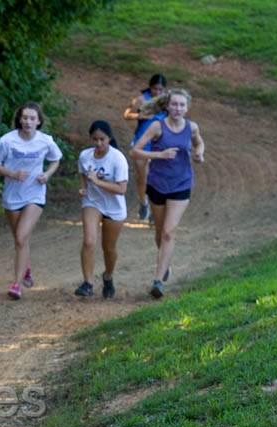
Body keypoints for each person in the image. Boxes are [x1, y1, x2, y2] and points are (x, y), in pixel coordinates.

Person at [132, 88, 205, 298]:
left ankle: (157, 281)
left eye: (182, 105)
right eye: (174, 104)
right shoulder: (157, 126)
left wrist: (199, 152)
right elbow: (135, 151)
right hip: (157, 184)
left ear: (187, 107)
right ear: (167, 106)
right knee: (160, 232)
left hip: (181, 184)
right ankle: (166, 263)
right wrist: (159, 154)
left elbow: (199, 142)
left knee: (168, 232)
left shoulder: (191, 127)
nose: (178, 108)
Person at [0, 102, 61, 300]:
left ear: (38, 121)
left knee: (21, 237)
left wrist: (47, 174)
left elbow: (56, 159)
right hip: (12, 196)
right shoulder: (7, 141)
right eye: (25, 118)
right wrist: (11, 173)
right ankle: (26, 268)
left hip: (35, 194)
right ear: (20, 119)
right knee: (20, 240)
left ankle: (16, 284)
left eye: (32, 118)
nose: (28, 122)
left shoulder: (45, 141)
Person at [75, 120, 129, 299]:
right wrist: (84, 187)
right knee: (89, 241)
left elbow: (122, 189)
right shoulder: (85, 156)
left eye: (102, 139)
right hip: (93, 202)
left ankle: (108, 276)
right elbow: (83, 174)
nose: (98, 144)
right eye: (95, 139)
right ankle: (88, 283)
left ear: (109, 138)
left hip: (114, 207)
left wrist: (97, 182)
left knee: (109, 248)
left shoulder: (117, 158)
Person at [123, 74, 169, 221]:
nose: (158, 92)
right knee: (142, 178)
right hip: (141, 142)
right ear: (150, 87)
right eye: (155, 89)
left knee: (156, 177)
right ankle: (143, 203)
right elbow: (126, 115)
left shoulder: (167, 100)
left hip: (160, 143)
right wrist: (139, 116)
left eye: (161, 89)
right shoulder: (141, 99)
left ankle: (156, 209)